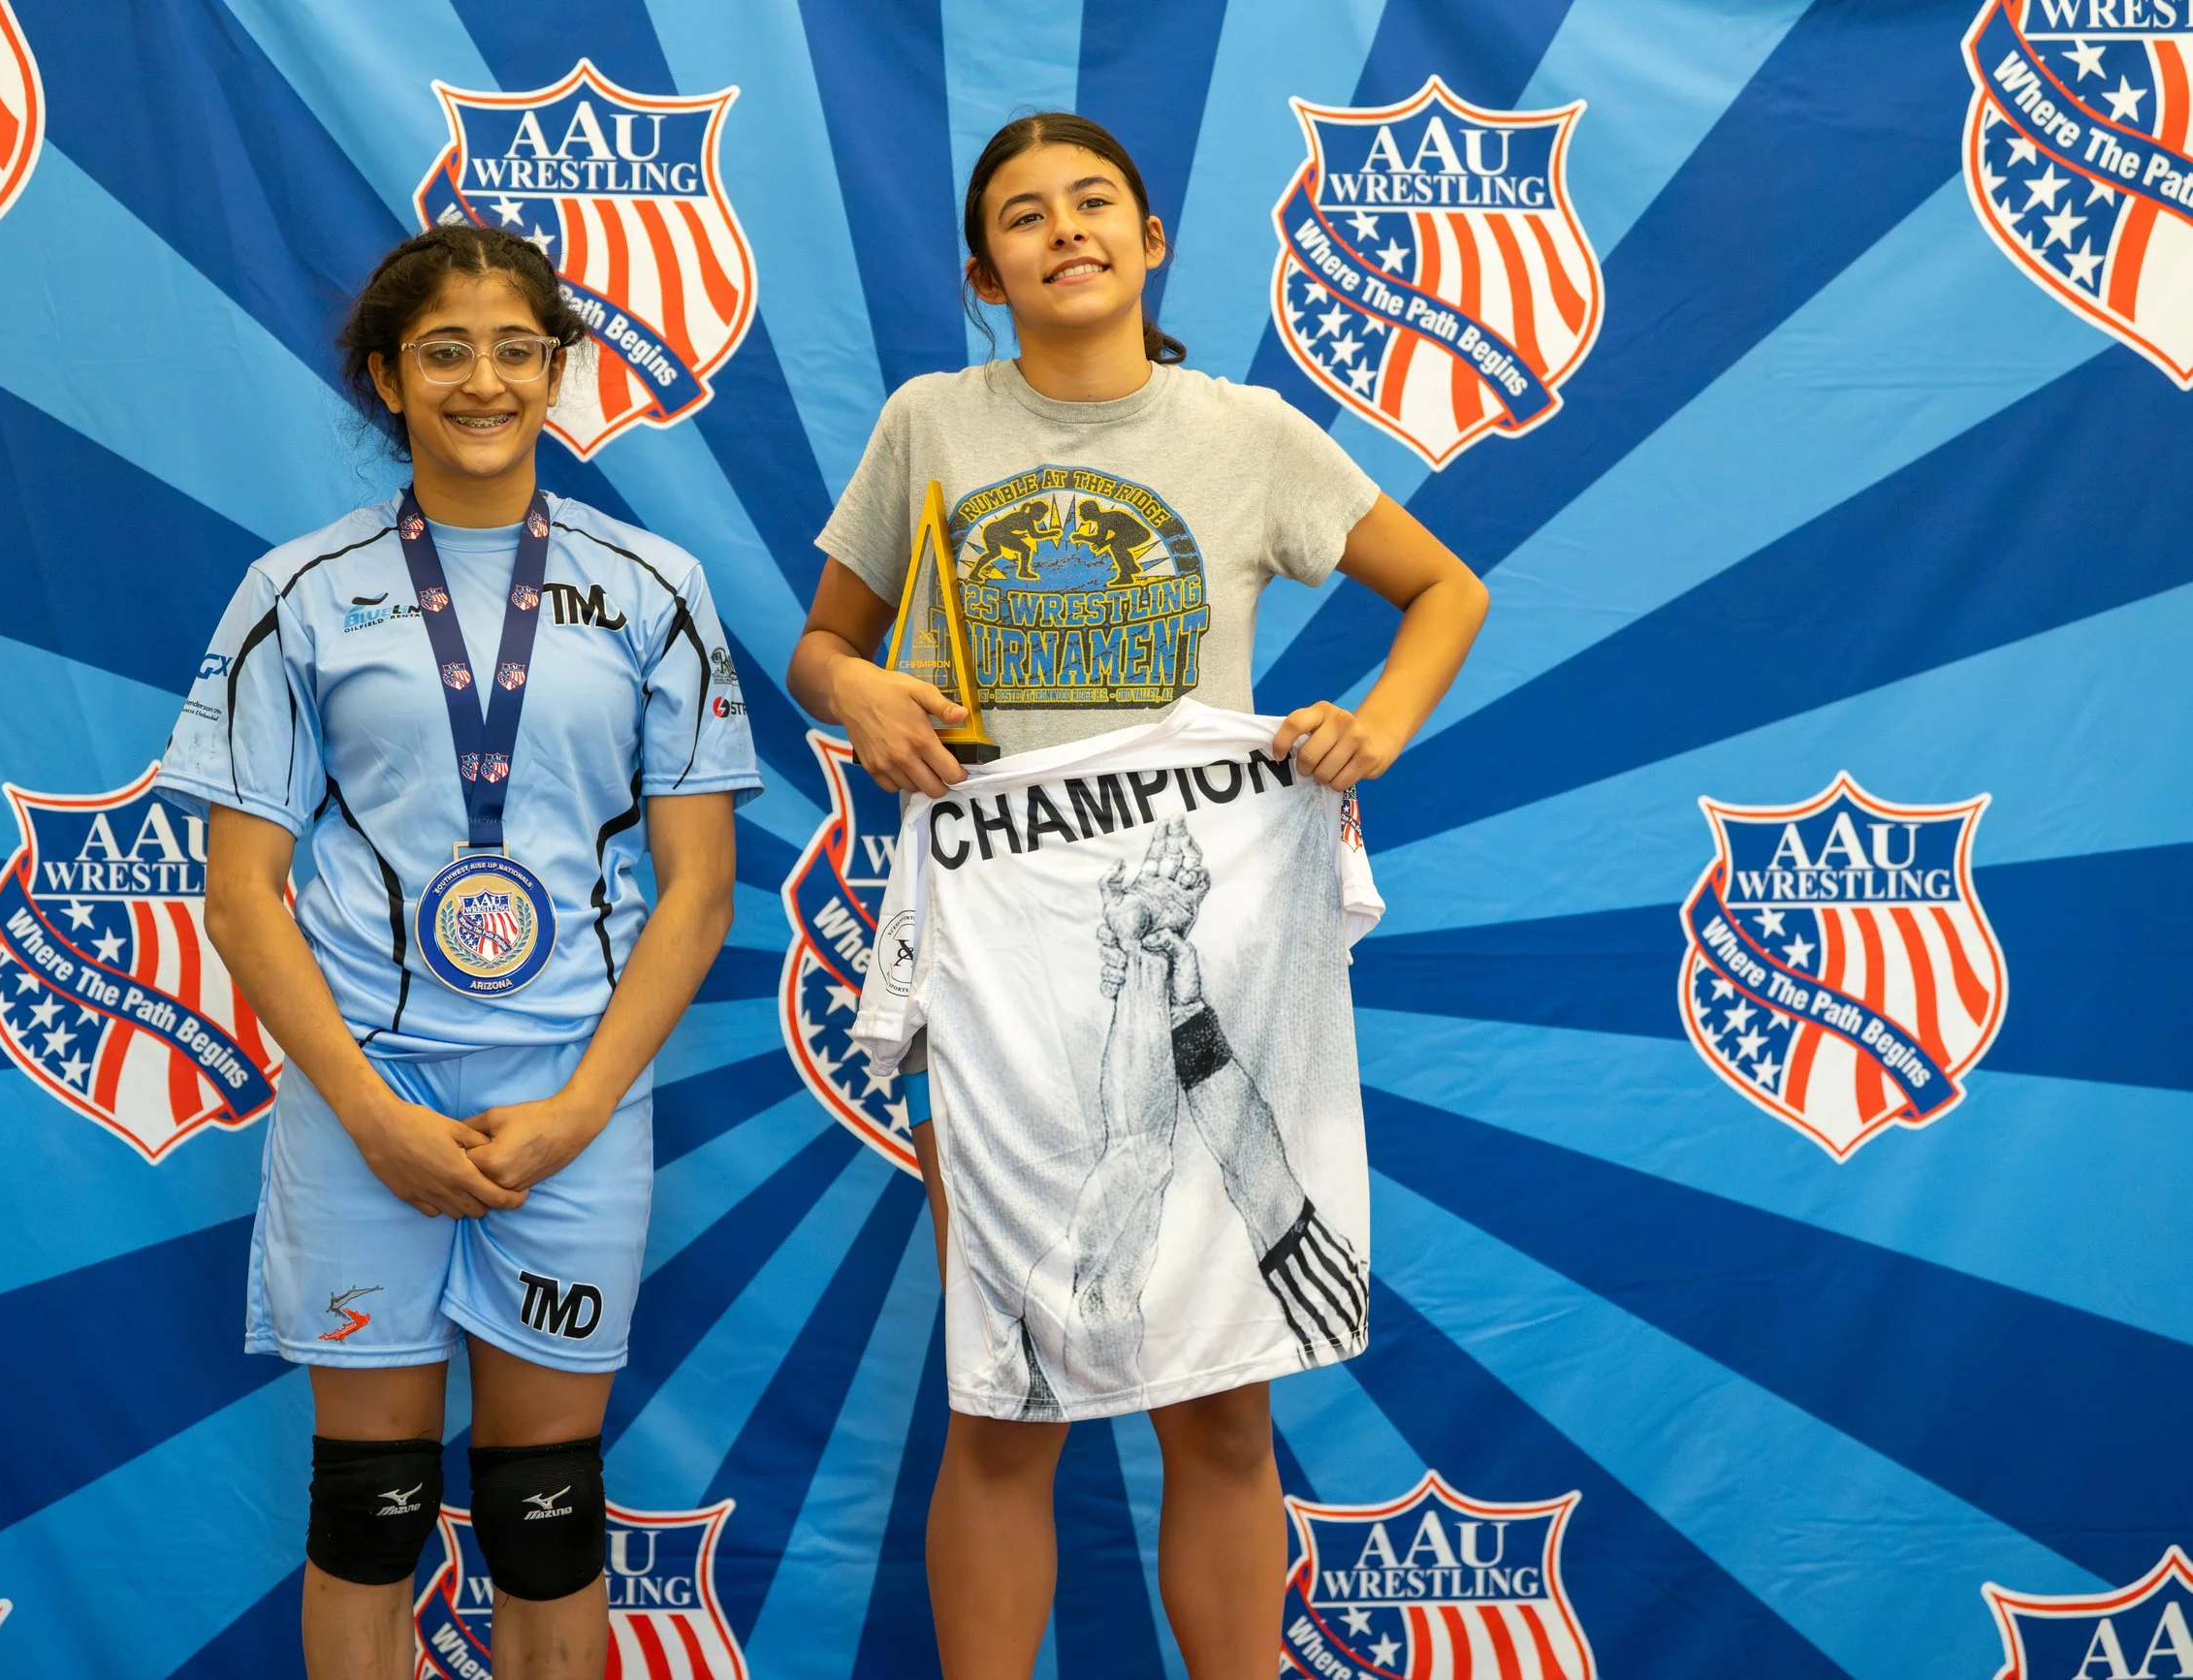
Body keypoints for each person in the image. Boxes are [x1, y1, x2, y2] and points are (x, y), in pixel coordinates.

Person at [785, 114, 1489, 1679]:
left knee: (1223, 1394)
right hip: (1004, 949)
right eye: (1023, 217)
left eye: (1094, 202)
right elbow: (819, 645)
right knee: (1010, 1381)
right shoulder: (930, 422)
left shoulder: (1246, 432)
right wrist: (859, 696)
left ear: (1152, 239)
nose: (1066, 229)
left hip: (1217, 931)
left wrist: (1371, 724)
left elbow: (1449, 589)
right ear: (985, 272)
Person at [159, 223, 760, 1680]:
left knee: (546, 1522)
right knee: (368, 1518)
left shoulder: (653, 584)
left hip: (574, 1095)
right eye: (443, 349)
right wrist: (375, 1117)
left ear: (558, 370)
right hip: (366, 1101)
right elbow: (243, 895)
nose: (481, 379)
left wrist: (577, 1107)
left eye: (513, 348)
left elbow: (697, 894)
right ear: (387, 375)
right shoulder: (296, 592)